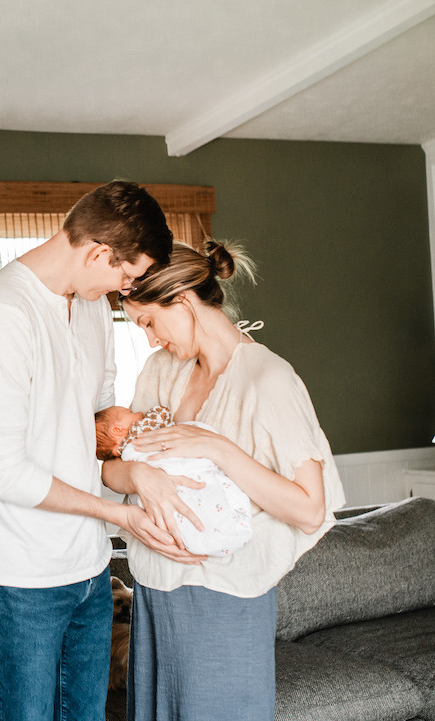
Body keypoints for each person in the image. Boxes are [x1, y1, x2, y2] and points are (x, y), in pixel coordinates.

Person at [0, 180, 192, 721]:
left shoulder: (93, 308)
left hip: (89, 565)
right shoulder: (0, 314)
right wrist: (115, 512)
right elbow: (1, 472)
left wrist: (132, 440)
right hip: (20, 572)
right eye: (125, 276)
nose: (124, 290)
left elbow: (93, 424)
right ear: (100, 252)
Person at [101, 239, 346, 721]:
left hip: (225, 596)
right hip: (154, 588)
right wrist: (138, 475)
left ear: (184, 300)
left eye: (149, 322)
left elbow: (309, 508)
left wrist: (217, 448)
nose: (150, 340)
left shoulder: (268, 380)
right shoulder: (160, 372)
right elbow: (112, 465)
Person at [95, 404, 253, 557]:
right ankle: (221, 529)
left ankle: (202, 537)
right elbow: (161, 413)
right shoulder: (140, 432)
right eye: (129, 411)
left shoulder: (125, 456)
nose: (138, 413)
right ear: (117, 429)